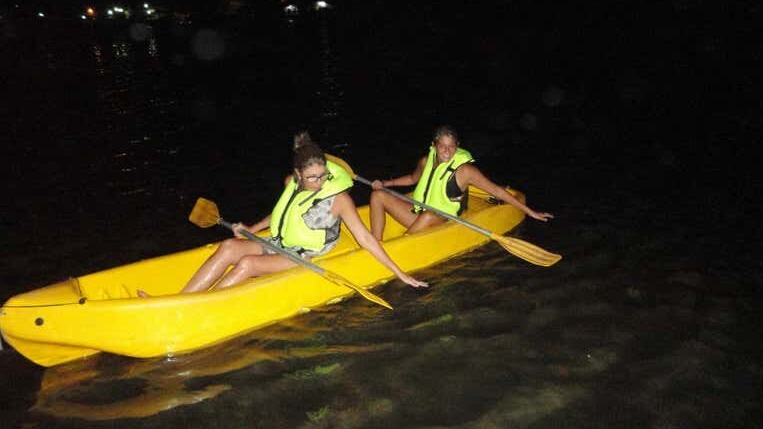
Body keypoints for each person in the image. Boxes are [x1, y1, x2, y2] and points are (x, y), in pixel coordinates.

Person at [140, 133, 427, 296]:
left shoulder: (339, 199)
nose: (320, 182)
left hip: (303, 256)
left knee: (249, 263)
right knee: (228, 247)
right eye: (312, 177)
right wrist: (249, 227)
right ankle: (181, 299)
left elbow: (365, 237)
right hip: (279, 242)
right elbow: (281, 216)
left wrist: (400, 273)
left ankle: (199, 305)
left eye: (323, 176)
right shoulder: (291, 184)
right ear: (299, 174)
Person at [369, 125, 554, 240]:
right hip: (419, 213)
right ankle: (376, 242)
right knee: (378, 196)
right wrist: (385, 184)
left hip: (441, 219)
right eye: (442, 146)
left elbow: (497, 191)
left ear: (457, 146)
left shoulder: (465, 171)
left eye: (451, 146)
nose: (447, 151)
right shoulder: (426, 161)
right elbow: (412, 179)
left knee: (427, 216)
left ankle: (400, 245)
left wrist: (530, 211)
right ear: (434, 146)